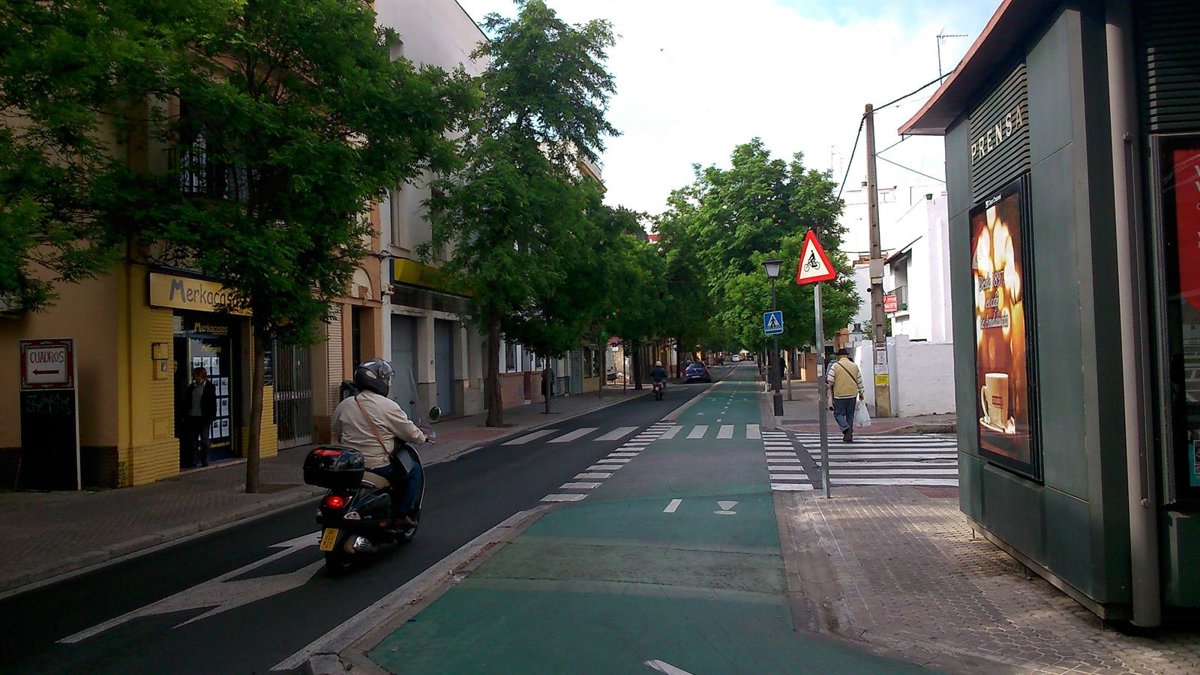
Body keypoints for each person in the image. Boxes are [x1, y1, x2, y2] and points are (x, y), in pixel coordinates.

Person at [332, 360, 427, 529]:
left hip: (350, 465)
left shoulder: (345, 404)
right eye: (386, 379)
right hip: (376, 465)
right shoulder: (387, 406)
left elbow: (336, 427)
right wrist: (422, 437)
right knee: (414, 471)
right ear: (378, 381)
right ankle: (402, 515)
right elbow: (410, 432)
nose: (387, 383)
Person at [179, 366, 217, 467]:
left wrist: (212, 417)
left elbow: (212, 403)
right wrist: (184, 415)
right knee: (192, 440)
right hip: (192, 416)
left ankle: (205, 460)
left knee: (204, 439)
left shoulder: (209, 387)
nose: (193, 377)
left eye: (195, 375)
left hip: (204, 417)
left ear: (201, 375)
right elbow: (186, 402)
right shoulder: (192, 387)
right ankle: (193, 460)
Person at [826, 348, 864, 443]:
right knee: (850, 415)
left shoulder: (835, 366)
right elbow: (859, 380)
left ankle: (846, 429)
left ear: (839, 356)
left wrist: (827, 389)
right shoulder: (854, 366)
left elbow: (830, 381)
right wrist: (861, 392)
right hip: (852, 394)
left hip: (840, 394)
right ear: (846, 356)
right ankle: (849, 435)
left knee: (838, 414)